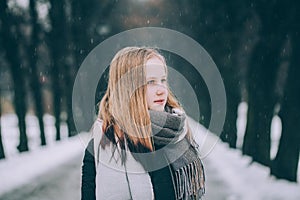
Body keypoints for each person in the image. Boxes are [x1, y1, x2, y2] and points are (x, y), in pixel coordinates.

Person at [81, 46, 205, 200]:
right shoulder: (104, 146)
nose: (161, 90)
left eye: (163, 80)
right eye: (150, 82)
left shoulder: (175, 130)